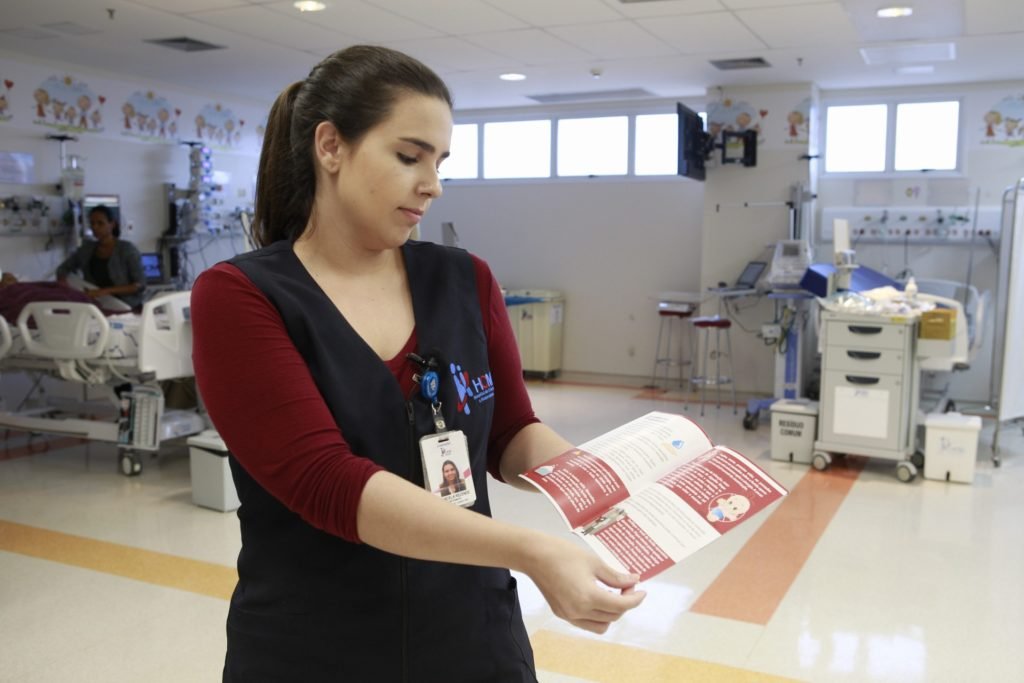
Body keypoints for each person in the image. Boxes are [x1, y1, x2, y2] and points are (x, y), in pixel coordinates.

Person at [190, 45, 646, 682]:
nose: (432, 184)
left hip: (471, 638)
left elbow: (511, 434)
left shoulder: (464, 280)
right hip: (314, 647)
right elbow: (326, 482)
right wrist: (533, 551)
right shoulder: (243, 296)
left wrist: (603, 480)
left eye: (440, 162)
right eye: (409, 156)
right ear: (331, 147)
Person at [55, 204, 145, 309]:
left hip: (127, 306)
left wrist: (105, 291)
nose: (95, 227)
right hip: (98, 305)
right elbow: (62, 269)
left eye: (100, 223)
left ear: (112, 224)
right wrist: (64, 284)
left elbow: (140, 285)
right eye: (92, 223)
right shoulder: (86, 250)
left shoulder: (126, 250)